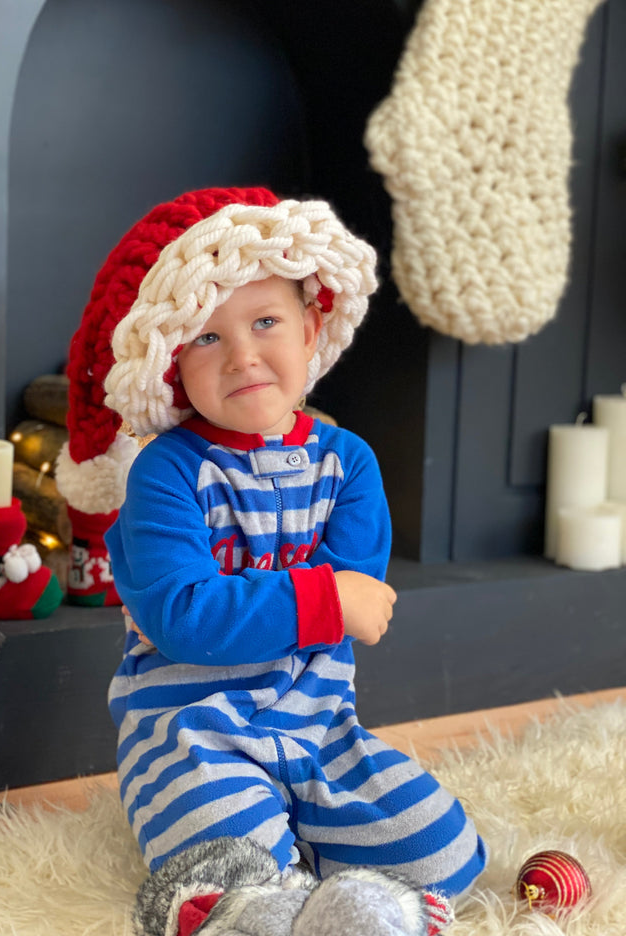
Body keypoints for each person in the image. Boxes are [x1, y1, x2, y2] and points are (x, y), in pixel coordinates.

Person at [64, 188, 487, 936]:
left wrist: (336, 600)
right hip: (195, 731)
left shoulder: (347, 463)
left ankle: (338, 888)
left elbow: (362, 598)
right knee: (231, 866)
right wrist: (327, 600)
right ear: (174, 366)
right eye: (207, 337)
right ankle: (250, 900)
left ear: (311, 327)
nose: (243, 357)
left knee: (444, 853)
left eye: (265, 322)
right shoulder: (166, 473)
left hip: (319, 725)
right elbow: (185, 618)